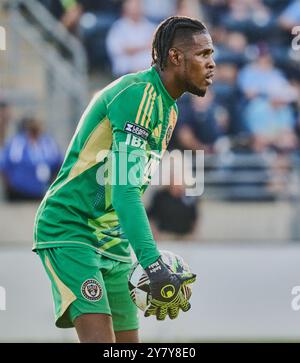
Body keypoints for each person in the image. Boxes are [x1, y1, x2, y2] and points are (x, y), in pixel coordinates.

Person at [33, 16, 215, 343]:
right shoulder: (138, 95)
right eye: (203, 54)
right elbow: (125, 190)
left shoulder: (169, 110)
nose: (212, 64)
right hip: (71, 225)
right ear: (175, 57)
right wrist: (152, 263)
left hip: (112, 238)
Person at [0, 116, 62, 201]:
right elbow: (4, 166)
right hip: (18, 194)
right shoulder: (16, 142)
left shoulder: (48, 142)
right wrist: (10, 188)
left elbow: (59, 163)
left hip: (42, 193)